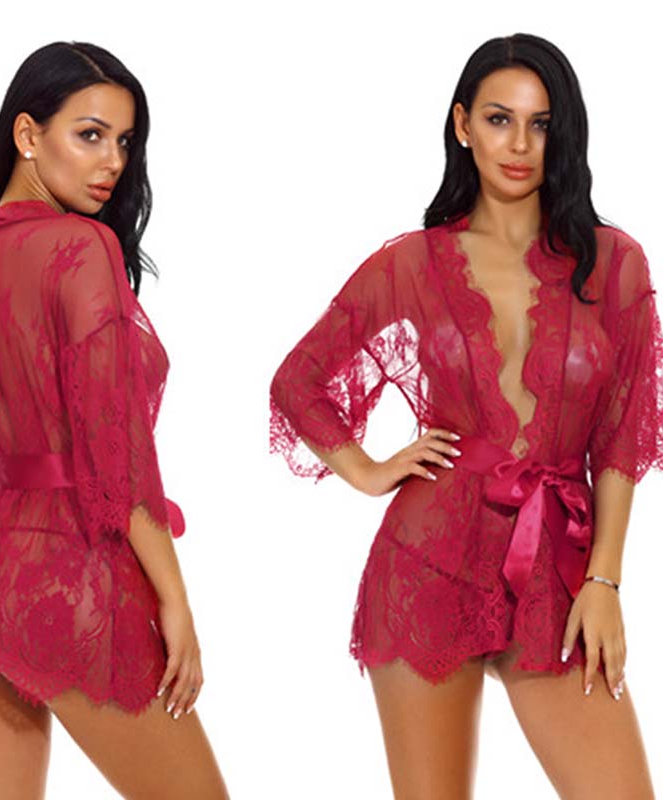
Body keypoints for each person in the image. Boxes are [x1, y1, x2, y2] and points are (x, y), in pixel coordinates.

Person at [269, 32, 661, 799]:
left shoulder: (615, 264)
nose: (519, 144)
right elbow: (298, 381)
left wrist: (605, 581)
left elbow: (622, 436)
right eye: (498, 119)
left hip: (556, 571)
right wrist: (368, 470)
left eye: (540, 124)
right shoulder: (412, 263)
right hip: (427, 564)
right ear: (462, 125)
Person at [0, 41, 229, 799]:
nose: (112, 162)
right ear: (28, 134)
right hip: (79, 579)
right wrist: (176, 602)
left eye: (124, 141)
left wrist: (3, 576)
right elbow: (115, 451)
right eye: (90, 135)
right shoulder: (81, 246)